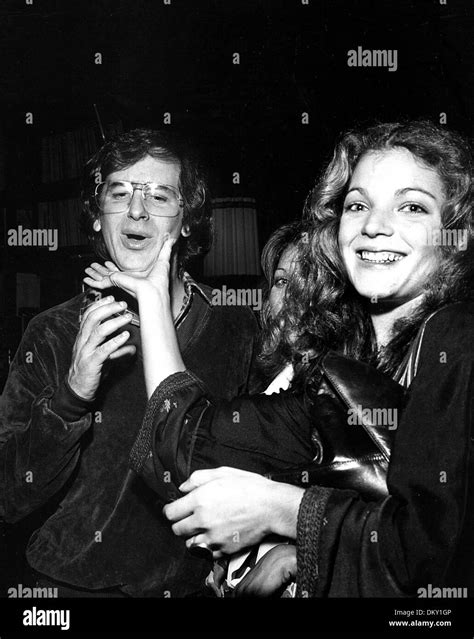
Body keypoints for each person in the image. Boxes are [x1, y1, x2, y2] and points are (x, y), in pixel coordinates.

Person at [87, 120, 473, 597]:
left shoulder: (456, 336)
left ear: (454, 233)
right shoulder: (340, 370)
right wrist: (150, 298)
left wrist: (283, 511)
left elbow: (432, 561)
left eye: (412, 206)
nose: (376, 225)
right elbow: (187, 441)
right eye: (358, 205)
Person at [0, 128, 259, 597]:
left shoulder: (237, 331)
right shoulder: (53, 332)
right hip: (70, 589)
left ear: (186, 221)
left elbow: (261, 467)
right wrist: (70, 397)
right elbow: (8, 495)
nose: (136, 210)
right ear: (99, 217)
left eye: (159, 196)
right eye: (119, 194)